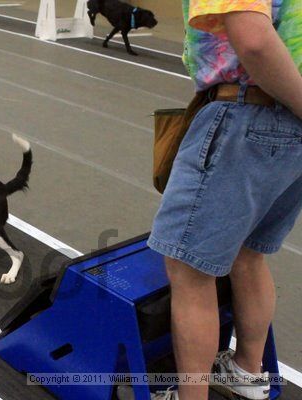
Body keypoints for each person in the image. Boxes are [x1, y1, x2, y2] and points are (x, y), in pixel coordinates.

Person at [147, 0, 302, 399]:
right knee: (248, 253)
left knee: (190, 270)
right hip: (291, 130)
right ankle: (246, 373)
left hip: (248, 112)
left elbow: (253, 41)